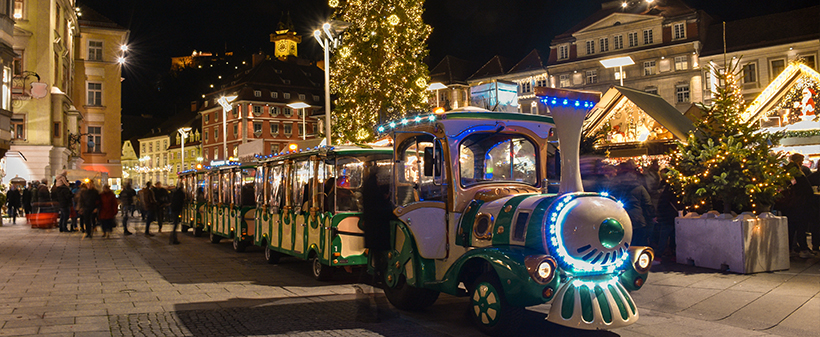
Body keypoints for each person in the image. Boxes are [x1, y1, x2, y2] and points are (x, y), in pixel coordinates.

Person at [361, 166, 395, 284]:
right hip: (379, 228)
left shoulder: (369, 190)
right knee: (380, 255)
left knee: (376, 254)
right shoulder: (375, 194)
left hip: (373, 228)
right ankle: (378, 276)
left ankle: (375, 275)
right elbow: (380, 210)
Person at [610, 161, 655, 247]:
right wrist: (652, 216)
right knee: (640, 244)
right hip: (637, 220)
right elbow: (647, 203)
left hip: (621, 219)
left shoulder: (615, 188)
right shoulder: (639, 188)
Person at [779, 153, 815, 258]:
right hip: (799, 205)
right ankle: (803, 249)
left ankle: (790, 249)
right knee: (801, 227)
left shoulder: (785, 173)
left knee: (790, 228)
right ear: (798, 161)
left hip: (788, 205)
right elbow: (807, 189)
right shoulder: (798, 173)